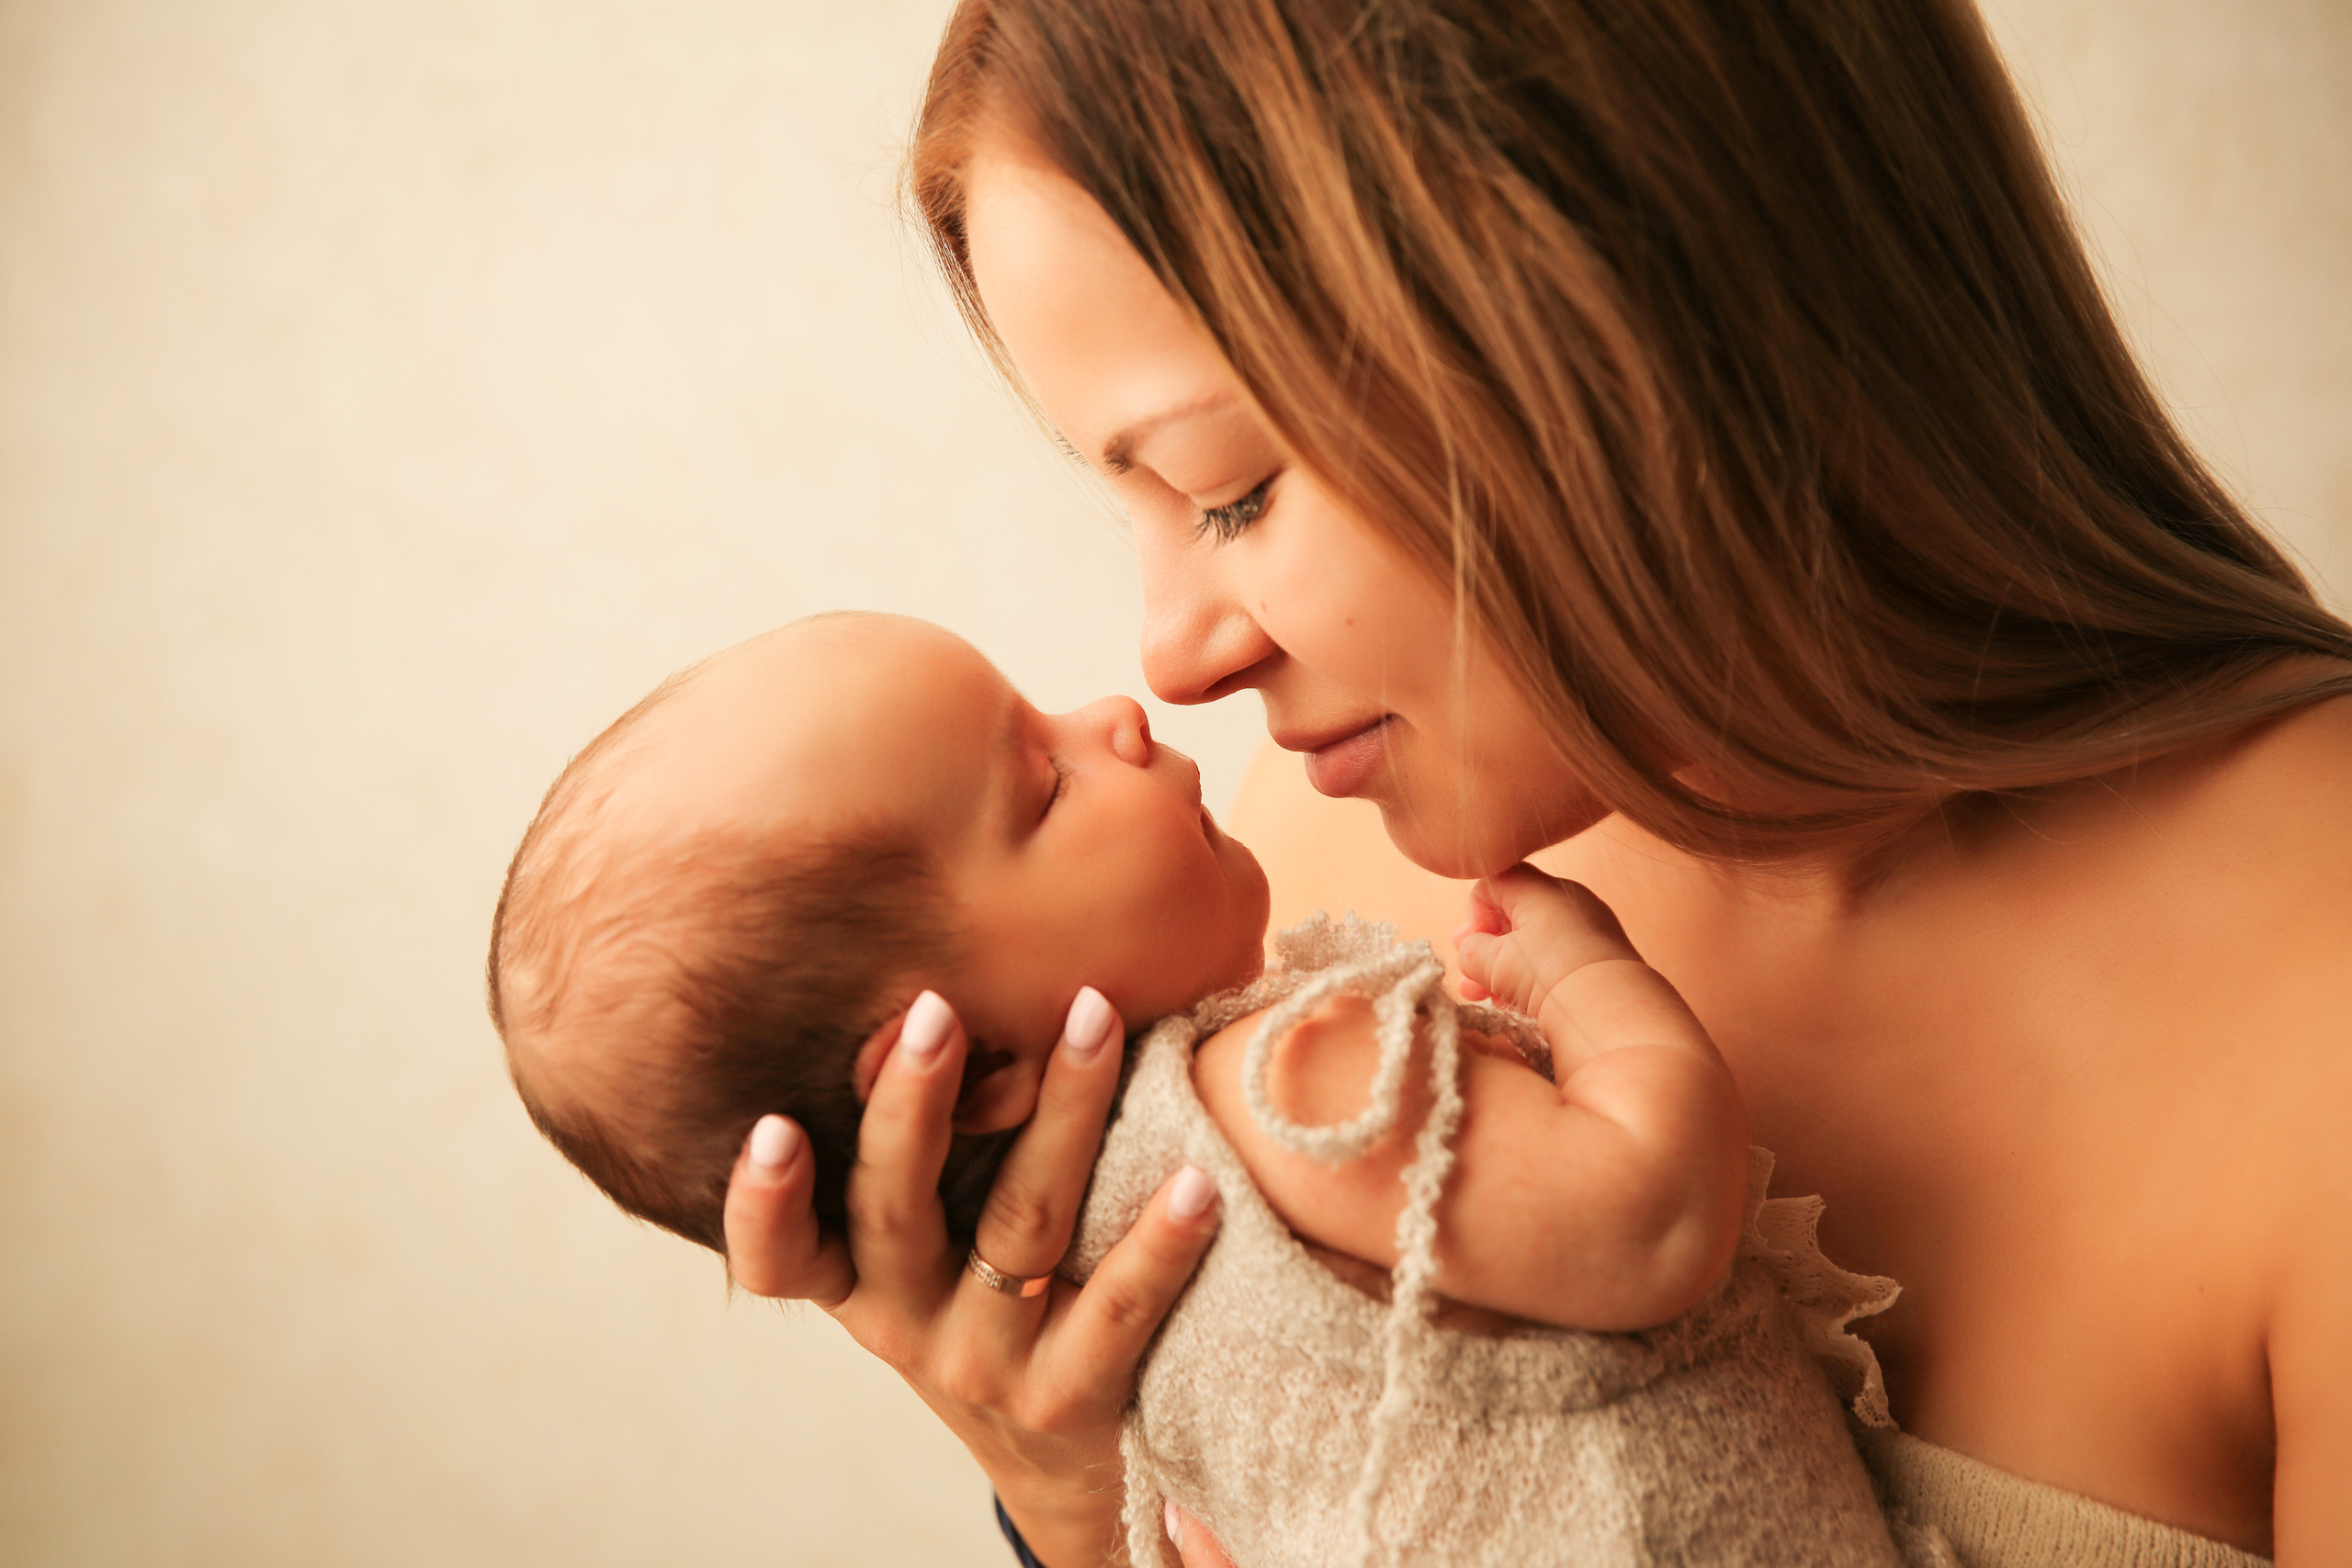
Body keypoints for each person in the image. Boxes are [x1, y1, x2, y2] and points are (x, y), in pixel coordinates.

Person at [721, 0, 2352, 1562]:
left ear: (1629, 321)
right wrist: (1075, 1506)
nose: (1172, 662)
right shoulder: (1290, 915)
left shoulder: (2314, 1006)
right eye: (1122, 495)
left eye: (1228, 491)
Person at [488, 613, 1908, 1564]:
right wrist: (1587, 981)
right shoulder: (1292, 1077)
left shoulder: (1112, 1302)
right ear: (970, 1068)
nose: (1120, 707)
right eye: (1039, 786)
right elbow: (1650, 1220)